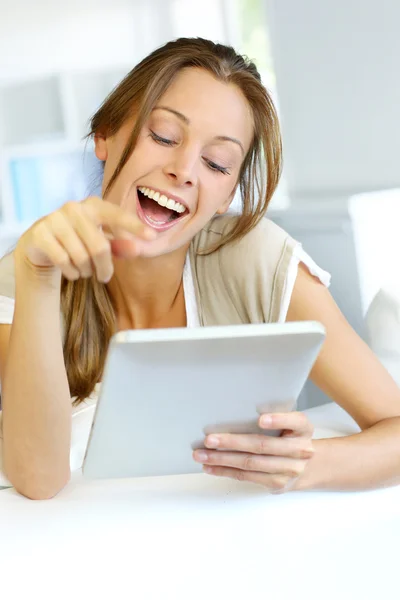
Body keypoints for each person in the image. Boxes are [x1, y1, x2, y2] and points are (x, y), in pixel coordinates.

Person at [0, 37, 399, 500]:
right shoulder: (26, 274)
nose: (185, 169)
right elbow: (37, 479)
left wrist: (302, 466)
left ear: (227, 195)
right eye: (164, 137)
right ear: (105, 134)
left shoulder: (254, 260)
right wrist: (40, 282)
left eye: (217, 163)